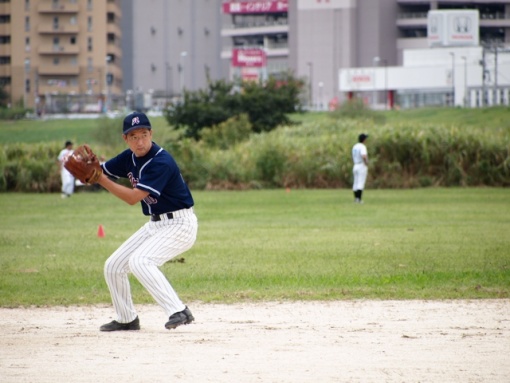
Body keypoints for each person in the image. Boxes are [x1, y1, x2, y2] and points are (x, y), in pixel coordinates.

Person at [96, 111, 198, 332]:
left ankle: (178, 310)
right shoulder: (129, 157)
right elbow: (100, 171)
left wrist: (101, 180)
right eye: (133, 136)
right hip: (156, 225)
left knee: (141, 261)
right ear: (126, 139)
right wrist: (89, 170)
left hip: (180, 224)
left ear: (151, 133)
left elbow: (133, 198)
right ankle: (127, 319)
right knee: (113, 266)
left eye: (143, 134)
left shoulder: (161, 161)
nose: (140, 141)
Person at [352, 133, 369, 204]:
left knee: (355, 182)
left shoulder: (355, 146)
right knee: (360, 182)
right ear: (364, 140)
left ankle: (356, 198)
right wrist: (366, 162)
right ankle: (359, 199)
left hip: (355, 165)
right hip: (361, 165)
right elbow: (364, 156)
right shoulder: (362, 147)